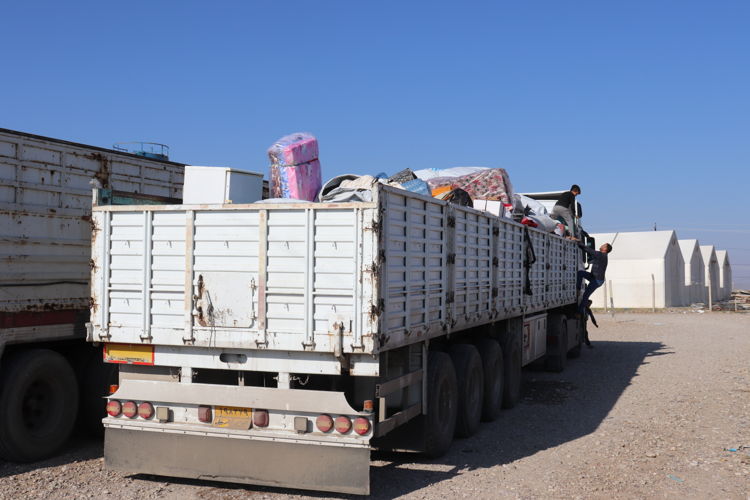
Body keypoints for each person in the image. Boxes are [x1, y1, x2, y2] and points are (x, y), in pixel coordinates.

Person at [577, 241, 612, 315]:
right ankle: (578, 289)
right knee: (580, 273)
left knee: (585, 295)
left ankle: (579, 313)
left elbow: (588, 249)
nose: (601, 245)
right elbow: (588, 250)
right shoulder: (601, 255)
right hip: (593, 277)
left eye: (603, 245)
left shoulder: (601, 255)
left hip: (597, 280)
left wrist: (578, 241)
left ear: (605, 249)